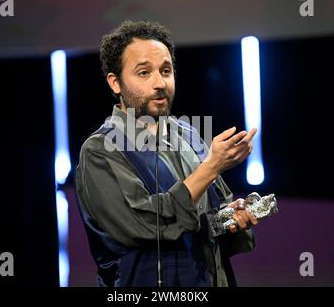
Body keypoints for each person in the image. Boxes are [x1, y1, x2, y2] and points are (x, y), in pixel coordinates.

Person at [75, 20, 259, 287]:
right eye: (144, 73)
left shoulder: (189, 135)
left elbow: (208, 220)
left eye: (166, 70)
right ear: (115, 83)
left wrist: (231, 217)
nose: (159, 83)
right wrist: (211, 166)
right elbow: (143, 225)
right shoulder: (100, 150)